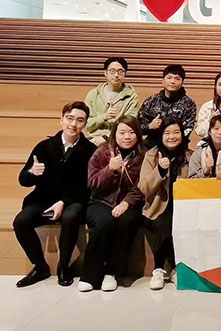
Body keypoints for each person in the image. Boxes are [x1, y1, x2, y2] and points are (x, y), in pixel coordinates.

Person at [14, 102, 97, 288]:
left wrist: (63, 202)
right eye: (69, 118)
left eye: (80, 120)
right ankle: (40, 267)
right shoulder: (44, 146)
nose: (73, 124)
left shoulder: (90, 150)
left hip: (74, 200)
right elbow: (23, 180)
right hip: (43, 199)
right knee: (21, 221)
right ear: (61, 119)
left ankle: (64, 267)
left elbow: (88, 186)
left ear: (85, 124)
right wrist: (32, 172)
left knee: (70, 216)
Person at [78, 116, 145, 292]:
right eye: (122, 132)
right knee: (104, 222)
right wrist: (110, 170)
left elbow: (144, 186)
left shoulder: (143, 155)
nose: (127, 137)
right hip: (100, 201)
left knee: (125, 222)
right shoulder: (102, 152)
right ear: (114, 134)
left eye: (131, 132)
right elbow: (92, 183)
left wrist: (127, 202)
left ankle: (111, 272)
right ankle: (89, 276)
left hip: (130, 203)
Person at [138, 117, 191, 290]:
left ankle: (173, 268)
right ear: (161, 135)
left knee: (176, 221)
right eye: (167, 133)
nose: (172, 136)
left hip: (183, 207)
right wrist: (159, 170)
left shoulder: (189, 156)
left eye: (176, 132)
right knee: (163, 222)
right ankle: (160, 269)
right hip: (156, 207)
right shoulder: (152, 155)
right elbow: (144, 187)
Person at [138, 64, 197, 149]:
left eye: (177, 79)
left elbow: (187, 130)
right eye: (169, 78)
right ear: (163, 81)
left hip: (177, 146)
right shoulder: (151, 101)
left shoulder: (189, 104)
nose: (172, 81)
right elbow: (138, 127)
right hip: (151, 145)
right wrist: (150, 126)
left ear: (182, 82)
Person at [84, 57, 139, 146]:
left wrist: (106, 137)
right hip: (94, 139)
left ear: (125, 74)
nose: (116, 75)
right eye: (112, 71)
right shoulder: (94, 94)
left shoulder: (131, 97)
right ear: (105, 73)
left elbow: (130, 125)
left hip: (119, 140)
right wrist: (104, 117)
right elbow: (86, 124)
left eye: (120, 71)